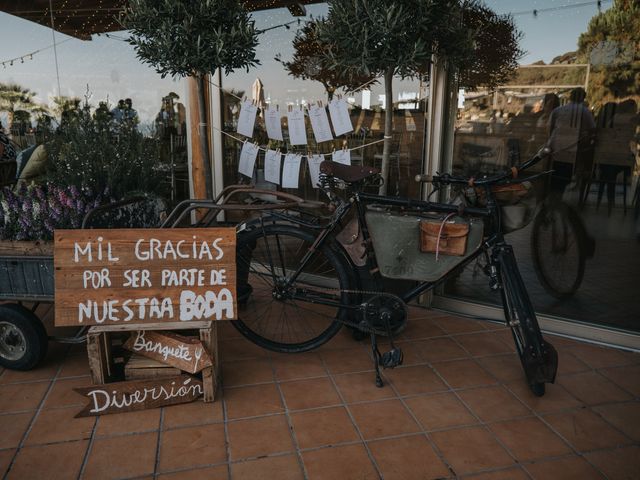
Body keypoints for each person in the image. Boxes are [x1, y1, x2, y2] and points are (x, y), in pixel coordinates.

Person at [546, 88, 596, 202]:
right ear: (583, 98)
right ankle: (564, 191)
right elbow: (592, 129)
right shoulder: (585, 111)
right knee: (570, 168)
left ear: (570, 97)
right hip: (574, 149)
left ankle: (554, 194)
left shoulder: (558, 110)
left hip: (556, 147)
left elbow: (549, 128)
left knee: (557, 170)